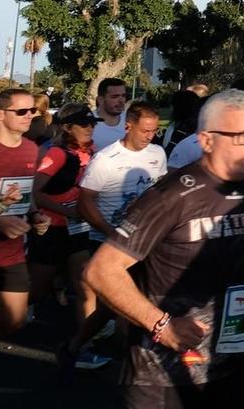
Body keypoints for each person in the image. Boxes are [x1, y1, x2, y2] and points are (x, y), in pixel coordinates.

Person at [6, 89, 244, 409]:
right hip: (163, 369)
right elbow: (103, 271)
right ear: (207, 139)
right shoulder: (172, 194)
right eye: (241, 135)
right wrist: (161, 323)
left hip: (231, 361)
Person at [66, 101, 170, 369]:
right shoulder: (106, 159)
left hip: (145, 240)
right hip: (109, 241)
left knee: (139, 299)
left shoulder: (157, 153)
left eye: (154, 131)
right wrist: (111, 232)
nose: (150, 136)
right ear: (129, 126)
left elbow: (159, 192)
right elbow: (85, 202)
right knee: (111, 306)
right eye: (145, 130)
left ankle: (139, 361)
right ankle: (77, 346)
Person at [0, 86, 42, 367]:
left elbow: (26, 194)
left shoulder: (31, 148)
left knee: (15, 320)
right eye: (22, 111)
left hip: (13, 247)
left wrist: (37, 215)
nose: (30, 116)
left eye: (33, 110)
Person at [28, 107, 98, 342]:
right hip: (52, 228)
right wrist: (68, 211)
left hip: (78, 230)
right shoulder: (56, 154)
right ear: (67, 128)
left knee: (84, 286)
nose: (90, 128)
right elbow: (36, 193)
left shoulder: (94, 153)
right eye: (83, 124)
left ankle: (83, 344)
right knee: (37, 289)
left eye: (92, 124)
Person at [91, 78, 130, 151]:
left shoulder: (131, 120)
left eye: (123, 96)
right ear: (101, 100)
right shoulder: (88, 123)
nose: (121, 100)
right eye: (115, 97)